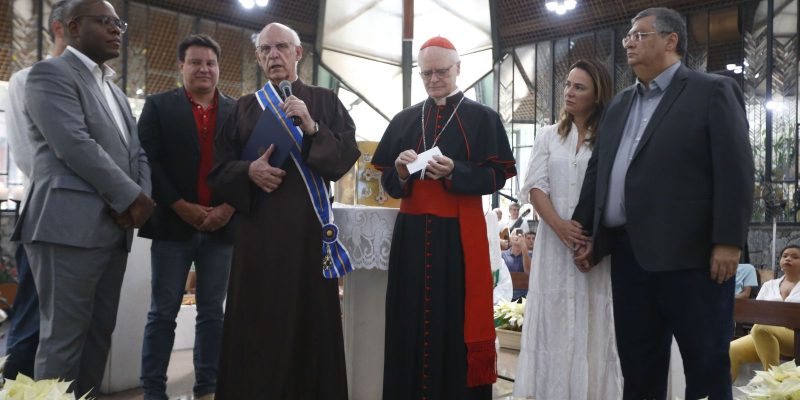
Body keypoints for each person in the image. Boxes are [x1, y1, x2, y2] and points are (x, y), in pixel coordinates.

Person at [572, 7, 754, 399]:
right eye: (627, 38)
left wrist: (728, 240)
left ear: (671, 41)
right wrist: (587, 232)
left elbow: (736, 169)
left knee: (705, 366)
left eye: (640, 35)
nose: (629, 44)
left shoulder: (711, 91)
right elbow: (599, 171)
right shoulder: (620, 103)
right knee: (638, 367)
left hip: (694, 258)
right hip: (629, 256)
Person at [207, 22, 359, 398]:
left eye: (281, 47)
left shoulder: (325, 102)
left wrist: (311, 127)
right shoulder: (243, 107)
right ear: (258, 57)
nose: (273, 55)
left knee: (310, 320)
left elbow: (343, 159)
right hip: (258, 236)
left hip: (309, 235)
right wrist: (249, 170)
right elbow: (219, 170)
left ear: (298, 53)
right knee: (258, 322)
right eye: (265, 50)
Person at [13, 0, 154, 395]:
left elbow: (136, 151)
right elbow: (73, 145)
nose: (116, 30)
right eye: (105, 22)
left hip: (113, 227)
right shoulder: (50, 74)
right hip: (66, 227)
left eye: (118, 23)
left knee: (97, 336)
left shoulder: (114, 89)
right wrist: (131, 198)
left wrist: (141, 196)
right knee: (62, 341)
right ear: (73, 27)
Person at [372, 36, 516, 399]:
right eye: (426, 74)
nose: (434, 79)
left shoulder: (483, 118)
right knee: (409, 319)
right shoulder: (405, 119)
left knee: (455, 321)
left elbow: (495, 176)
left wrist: (455, 171)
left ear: (458, 69)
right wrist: (403, 173)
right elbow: (389, 182)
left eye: (441, 71)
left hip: (457, 239)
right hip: (412, 238)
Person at [515, 58, 622, 399]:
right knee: (556, 320)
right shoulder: (548, 135)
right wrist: (560, 226)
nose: (569, 93)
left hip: (594, 243)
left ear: (597, 94)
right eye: (567, 85)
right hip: (553, 244)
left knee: (596, 318)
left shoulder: (610, 135)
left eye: (579, 87)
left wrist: (585, 235)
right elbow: (535, 186)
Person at [137, 34, 235, 400]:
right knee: (163, 312)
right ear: (181, 66)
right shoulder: (159, 107)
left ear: (218, 67)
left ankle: (208, 387)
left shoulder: (237, 110)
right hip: (172, 225)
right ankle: (153, 390)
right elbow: (149, 161)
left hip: (222, 227)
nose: (203, 69)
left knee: (212, 312)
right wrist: (180, 204)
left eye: (210, 63)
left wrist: (227, 208)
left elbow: (245, 165)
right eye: (195, 62)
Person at [1, 0, 68, 380]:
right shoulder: (27, 79)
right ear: (60, 28)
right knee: (31, 312)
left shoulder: (101, 84)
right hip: (44, 213)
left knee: (66, 323)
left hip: (88, 220)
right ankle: (15, 386)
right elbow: (31, 159)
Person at [729, 245, 800, 380]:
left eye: (795, 257)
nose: (788, 259)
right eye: (785, 256)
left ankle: (773, 384)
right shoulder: (769, 285)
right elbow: (757, 312)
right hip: (763, 333)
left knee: (762, 328)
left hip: (796, 336)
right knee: (731, 349)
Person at [501, 229, 530, 300]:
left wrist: (523, 247)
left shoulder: (529, 255)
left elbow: (528, 271)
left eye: (521, 235)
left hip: (524, 296)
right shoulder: (502, 255)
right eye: (516, 234)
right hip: (506, 296)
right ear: (510, 239)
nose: (518, 236)